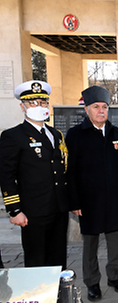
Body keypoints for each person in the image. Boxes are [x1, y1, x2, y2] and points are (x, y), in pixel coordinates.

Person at [66, 85, 118, 302]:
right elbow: (70, 172)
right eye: (96, 107)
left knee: (115, 243)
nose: (101, 111)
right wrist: (74, 201)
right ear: (87, 110)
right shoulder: (75, 135)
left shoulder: (117, 134)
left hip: (114, 201)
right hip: (89, 202)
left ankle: (114, 276)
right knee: (90, 245)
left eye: (104, 107)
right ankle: (92, 282)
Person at [0, 80, 69, 269]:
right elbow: (6, 175)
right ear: (23, 107)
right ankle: (38, 298)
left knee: (58, 260)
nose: (40, 106)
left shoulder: (56, 135)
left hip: (58, 208)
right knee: (37, 260)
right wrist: (15, 210)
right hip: (34, 211)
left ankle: (57, 296)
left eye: (43, 102)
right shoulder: (13, 136)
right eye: (33, 103)